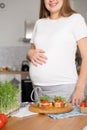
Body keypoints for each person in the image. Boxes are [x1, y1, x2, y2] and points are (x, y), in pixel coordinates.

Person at [27, 0, 87, 105]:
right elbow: (33, 52)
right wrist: (29, 53)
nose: (52, 0)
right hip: (38, 89)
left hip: (65, 89)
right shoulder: (39, 23)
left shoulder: (75, 19)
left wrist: (80, 88)